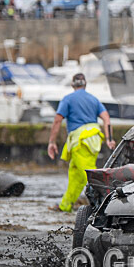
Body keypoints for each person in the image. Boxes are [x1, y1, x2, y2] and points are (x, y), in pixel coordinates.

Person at [47, 73, 116, 212]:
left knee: (88, 175)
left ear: (73, 85)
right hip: (94, 140)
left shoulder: (68, 99)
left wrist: (52, 142)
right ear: (85, 85)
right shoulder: (93, 100)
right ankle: (65, 205)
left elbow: (57, 120)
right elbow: (106, 118)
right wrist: (109, 139)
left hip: (80, 141)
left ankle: (106, 204)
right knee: (75, 174)